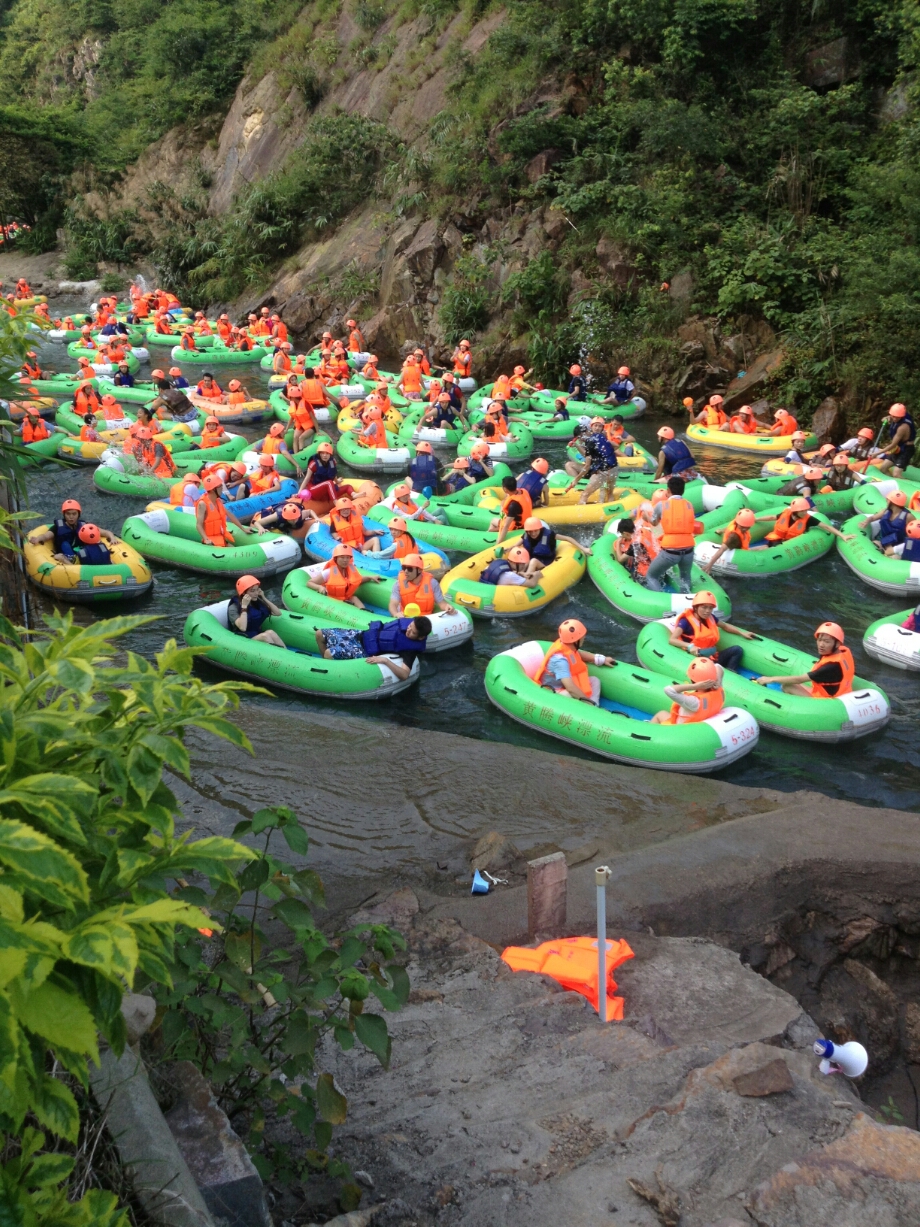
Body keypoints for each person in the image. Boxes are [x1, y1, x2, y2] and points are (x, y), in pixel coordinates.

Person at [315, 615, 431, 681]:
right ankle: (326, 665)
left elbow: (404, 675)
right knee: (319, 634)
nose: (408, 630)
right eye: (410, 626)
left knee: (329, 653)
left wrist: (385, 661)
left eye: (412, 632)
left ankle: (325, 677)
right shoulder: (406, 625)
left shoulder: (410, 650)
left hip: (363, 650)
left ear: (420, 637)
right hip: (360, 634)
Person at [755, 622, 854, 697]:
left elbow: (799, 679)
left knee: (787, 686)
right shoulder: (843, 652)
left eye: (826, 642)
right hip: (841, 694)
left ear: (837, 644)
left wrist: (771, 679)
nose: (821, 645)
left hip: (827, 701)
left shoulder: (830, 667)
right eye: (819, 640)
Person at [666, 589, 754, 672]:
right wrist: (689, 646)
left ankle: (730, 672)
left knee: (737, 650)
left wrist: (742, 633)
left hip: (711, 656)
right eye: (704, 607)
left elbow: (725, 626)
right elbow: (672, 640)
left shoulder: (711, 618)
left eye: (710, 608)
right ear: (696, 607)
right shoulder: (686, 621)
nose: (707, 611)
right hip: (697, 660)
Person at [534, 618, 614, 706]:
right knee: (568, 695)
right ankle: (590, 708)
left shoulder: (568, 646)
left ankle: (595, 706)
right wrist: (588, 702)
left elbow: (578, 654)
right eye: (582, 637)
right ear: (575, 640)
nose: (584, 638)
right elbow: (571, 688)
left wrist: (600, 659)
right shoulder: (560, 661)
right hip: (553, 689)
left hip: (565, 682)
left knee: (595, 681)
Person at [645, 476, 698, 593]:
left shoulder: (661, 505)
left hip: (670, 551)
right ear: (683, 491)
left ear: (668, 491)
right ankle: (686, 602)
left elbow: (654, 523)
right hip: (689, 550)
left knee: (651, 576)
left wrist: (646, 516)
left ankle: (661, 604)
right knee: (685, 577)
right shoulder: (689, 505)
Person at [28, 500, 117, 563]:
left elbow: (105, 532)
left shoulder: (84, 526)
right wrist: (37, 539)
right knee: (65, 545)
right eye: (68, 514)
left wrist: (112, 538)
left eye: (74, 514)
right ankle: (68, 561)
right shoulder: (57, 527)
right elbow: (45, 536)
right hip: (67, 555)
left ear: (78, 514)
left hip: (83, 553)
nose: (71, 517)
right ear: (64, 514)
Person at [651, 657, 725, 724]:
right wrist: (718, 680)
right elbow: (718, 666)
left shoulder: (694, 702)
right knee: (664, 713)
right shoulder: (718, 689)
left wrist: (694, 686)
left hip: (680, 729)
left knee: (660, 714)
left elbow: (668, 690)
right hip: (700, 724)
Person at [752, 498, 855, 546]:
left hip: (788, 543)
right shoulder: (786, 513)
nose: (805, 512)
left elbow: (826, 527)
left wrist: (842, 535)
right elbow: (772, 517)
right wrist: (756, 519)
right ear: (795, 511)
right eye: (802, 510)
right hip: (776, 539)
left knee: (767, 548)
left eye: (806, 509)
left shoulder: (808, 519)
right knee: (766, 546)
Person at [564, 417, 619, 504]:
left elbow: (587, 466)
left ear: (585, 433)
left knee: (584, 494)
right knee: (609, 494)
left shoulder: (589, 442)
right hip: (614, 468)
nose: (580, 439)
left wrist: (576, 480)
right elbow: (615, 445)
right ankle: (608, 511)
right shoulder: (601, 436)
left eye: (580, 437)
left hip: (603, 471)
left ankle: (580, 515)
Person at [516, 515, 587, 577]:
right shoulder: (527, 535)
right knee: (524, 561)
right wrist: (510, 548)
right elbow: (520, 541)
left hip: (546, 562)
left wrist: (584, 549)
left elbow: (567, 538)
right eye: (530, 531)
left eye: (535, 531)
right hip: (532, 559)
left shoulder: (549, 535)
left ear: (540, 529)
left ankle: (527, 577)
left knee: (533, 561)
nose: (533, 533)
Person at [196, 473, 252, 546]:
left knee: (233, 549)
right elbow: (198, 525)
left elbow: (230, 515)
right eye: (220, 486)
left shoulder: (218, 501)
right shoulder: (202, 504)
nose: (222, 487)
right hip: (210, 541)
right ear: (213, 489)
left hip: (220, 537)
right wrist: (206, 539)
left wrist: (243, 529)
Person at [388, 555, 454, 616]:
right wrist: (396, 614)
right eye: (404, 568)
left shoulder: (432, 583)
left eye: (410, 569)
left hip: (425, 620)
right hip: (406, 617)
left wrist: (446, 607)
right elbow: (393, 604)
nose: (406, 571)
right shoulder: (398, 584)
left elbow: (442, 603)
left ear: (419, 570)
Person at [228, 576, 285, 646]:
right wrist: (244, 607)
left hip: (256, 634)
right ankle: (278, 655)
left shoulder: (257, 602)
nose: (256, 593)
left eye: (257, 590)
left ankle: (286, 654)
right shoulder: (233, 608)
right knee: (265, 636)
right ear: (243, 593)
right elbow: (242, 627)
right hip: (243, 639)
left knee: (270, 632)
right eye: (252, 591)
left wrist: (263, 598)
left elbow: (278, 613)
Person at [701, 506, 757, 574]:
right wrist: (709, 565)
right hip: (739, 554)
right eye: (742, 527)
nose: (744, 529)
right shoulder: (734, 537)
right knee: (763, 548)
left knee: (764, 547)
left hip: (741, 549)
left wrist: (721, 530)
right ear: (739, 523)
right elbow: (721, 549)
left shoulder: (736, 523)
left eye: (747, 528)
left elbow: (728, 528)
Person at [860, 489, 914, 553]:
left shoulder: (908, 516)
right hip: (882, 540)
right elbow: (873, 517)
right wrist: (867, 521)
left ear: (892, 502)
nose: (886, 501)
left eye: (888, 500)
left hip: (896, 545)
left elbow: (914, 533)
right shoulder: (885, 511)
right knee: (873, 545)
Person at [872, 403, 916, 476]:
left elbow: (893, 445)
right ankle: (892, 484)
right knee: (883, 469)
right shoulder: (896, 416)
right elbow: (884, 419)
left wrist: (878, 453)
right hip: (898, 448)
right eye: (893, 416)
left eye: (897, 417)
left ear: (901, 416)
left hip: (906, 449)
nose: (895, 419)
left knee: (896, 474)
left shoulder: (903, 427)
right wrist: (886, 418)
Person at [492, 475, 533, 541]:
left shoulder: (513, 505)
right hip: (526, 521)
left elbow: (506, 526)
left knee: (493, 523)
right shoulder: (523, 491)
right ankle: (492, 531)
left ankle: (488, 534)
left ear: (505, 489)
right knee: (494, 521)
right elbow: (508, 497)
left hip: (517, 527)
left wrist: (498, 544)